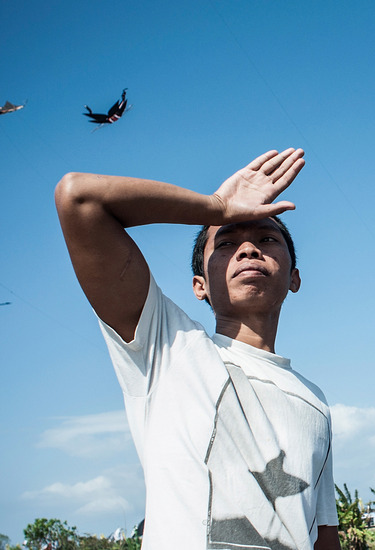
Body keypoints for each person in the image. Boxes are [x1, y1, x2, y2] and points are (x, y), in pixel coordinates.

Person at [55, 149, 341, 550]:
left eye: (267, 238)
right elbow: (80, 198)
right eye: (225, 241)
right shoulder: (167, 348)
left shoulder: (316, 401)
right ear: (199, 285)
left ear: (294, 277)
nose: (248, 250)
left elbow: (323, 532)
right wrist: (215, 207)